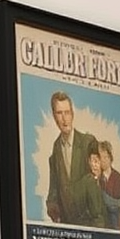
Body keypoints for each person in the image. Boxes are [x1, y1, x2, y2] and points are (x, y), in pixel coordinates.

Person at [45, 91, 98, 224]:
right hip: (67, 224)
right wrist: (52, 208)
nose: (64, 119)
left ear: (72, 114)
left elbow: (100, 182)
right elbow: (54, 189)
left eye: (67, 112)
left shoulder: (88, 142)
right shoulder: (55, 150)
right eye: (59, 113)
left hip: (90, 223)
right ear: (54, 116)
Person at [66, 146, 107, 228]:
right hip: (91, 225)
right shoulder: (89, 180)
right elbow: (95, 211)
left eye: (96, 161)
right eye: (91, 161)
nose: (93, 165)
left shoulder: (103, 180)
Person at [98, 140, 120, 230]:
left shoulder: (118, 177)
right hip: (102, 221)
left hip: (115, 221)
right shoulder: (97, 178)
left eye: (105, 157)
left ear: (110, 158)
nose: (103, 160)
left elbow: (117, 207)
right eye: (100, 157)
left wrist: (105, 199)